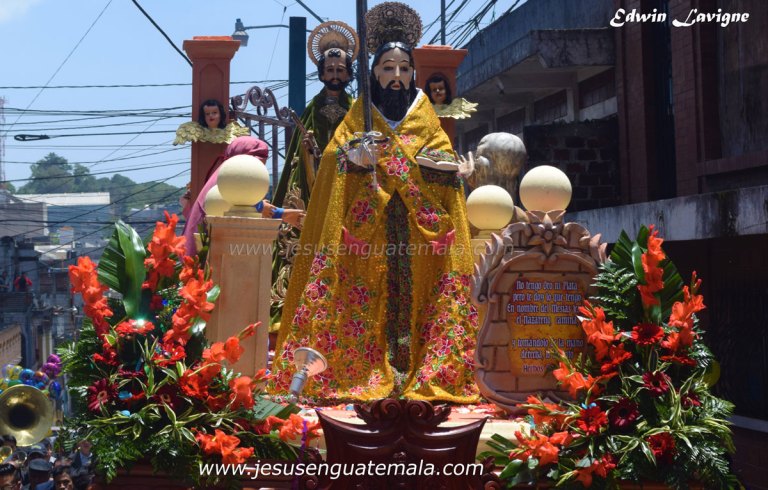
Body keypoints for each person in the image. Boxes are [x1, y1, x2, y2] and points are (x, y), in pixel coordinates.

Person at [271, 2, 479, 403]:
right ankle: (361, 369)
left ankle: (424, 368)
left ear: (413, 73)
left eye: (404, 69)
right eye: (388, 68)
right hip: (369, 231)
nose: (396, 77)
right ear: (374, 72)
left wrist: (449, 170)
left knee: (425, 300)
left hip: (418, 231)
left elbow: (440, 156)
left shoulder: (424, 113)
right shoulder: (359, 113)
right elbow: (331, 160)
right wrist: (353, 157)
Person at [268, 21, 359, 333]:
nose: (334, 75)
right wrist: (308, 153)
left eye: (340, 70)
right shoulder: (311, 110)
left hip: (345, 187)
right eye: (329, 69)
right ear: (321, 73)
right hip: (311, 186)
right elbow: (296, 156)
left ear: (348, 74)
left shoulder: (356, 111)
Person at [181, 136, 305, 256]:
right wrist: (276, 212)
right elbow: (237, 200)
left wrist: (275, 211)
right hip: (205, 249)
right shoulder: (230, 177)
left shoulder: (226, 174)